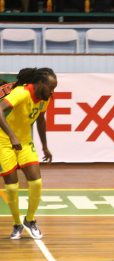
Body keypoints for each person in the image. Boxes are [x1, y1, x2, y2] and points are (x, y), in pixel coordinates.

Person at [0, 67, 57, 240]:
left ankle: (30, 220)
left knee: (36, 182)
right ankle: (17, 224)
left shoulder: (44, 97)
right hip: (4, 141)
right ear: (40, 83)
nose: (52, 92)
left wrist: (45, 147)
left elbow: (40, 120)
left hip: (24, 142)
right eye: (50, 87)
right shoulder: (21, 93)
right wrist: (12, 137)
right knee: (11, 186)